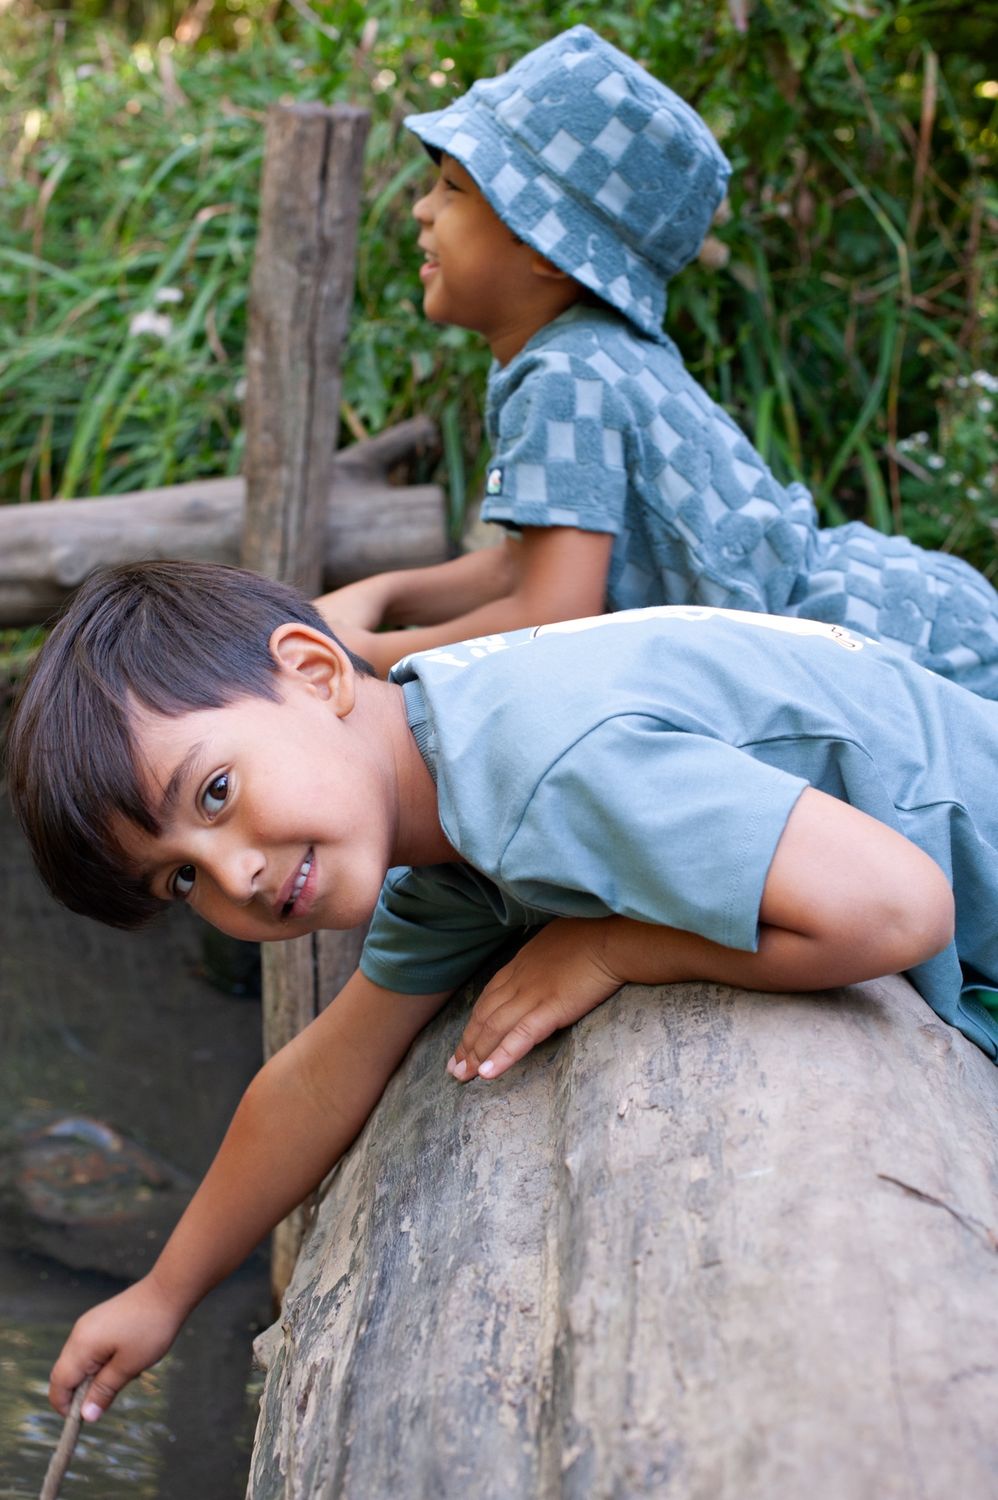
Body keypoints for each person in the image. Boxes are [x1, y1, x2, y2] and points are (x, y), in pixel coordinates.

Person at [5, 559, 997, 1424]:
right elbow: (320, 1076)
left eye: (215, 792)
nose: (235, 875)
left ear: (313, 671)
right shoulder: (441, 798)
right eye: (181, 880)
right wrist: (163, 1293)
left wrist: (610, 950)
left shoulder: (537, 764)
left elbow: (898, 911)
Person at [316, 25, 998, 696]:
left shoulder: (567, 376)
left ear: (548, 246)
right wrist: (383, 592)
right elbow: (524, 569)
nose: (421, 209)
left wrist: (370, 655)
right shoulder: (579, 354)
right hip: (878, 620)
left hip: (878, 665)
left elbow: (551, 617)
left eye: (452, 190)